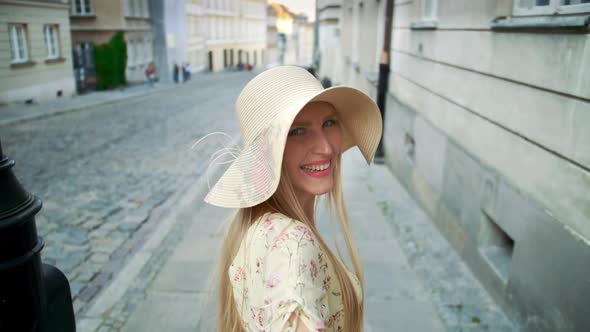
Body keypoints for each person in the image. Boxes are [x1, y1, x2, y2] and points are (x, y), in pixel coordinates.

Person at [205, 66, 382, 332]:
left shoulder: (259, 229)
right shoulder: (290, 241)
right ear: (268, 154)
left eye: (329, 123)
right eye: (298, 131)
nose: (326, 147)